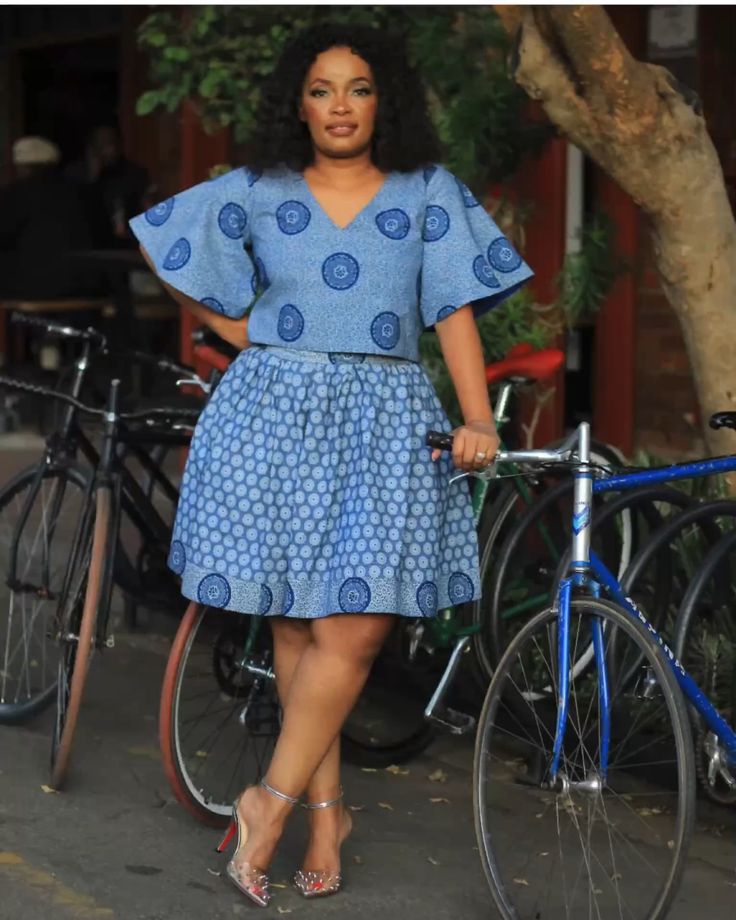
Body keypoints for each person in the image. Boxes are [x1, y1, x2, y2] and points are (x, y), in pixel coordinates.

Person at [130, 24, 533, 907]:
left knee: (354, 628)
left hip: (387, 419)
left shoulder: (428, 191)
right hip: (274, 414)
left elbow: (454, 309)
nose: (340, 106)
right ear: (299, 103)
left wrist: (476, 417)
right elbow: (164, 237)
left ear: (385, 101)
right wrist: (235, 328)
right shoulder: (259, 189)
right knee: (297, 628)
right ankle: (327, 819)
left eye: (358, 88)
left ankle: (266, 806)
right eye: (322, 90)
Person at [0, 136, 99, 299]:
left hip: (32, 288)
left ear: (21, 166)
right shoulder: (84, 192)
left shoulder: (15, 194)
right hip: (86, 287)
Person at [66, 125, 151, 245]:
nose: (108, 150)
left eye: (111, 143)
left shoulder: (134, 173)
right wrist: (92, 177)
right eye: (101, 145)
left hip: (129, 244)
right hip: (89, 246)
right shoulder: (76, 174)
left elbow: (147, 208)